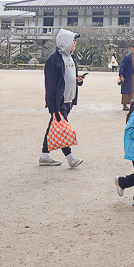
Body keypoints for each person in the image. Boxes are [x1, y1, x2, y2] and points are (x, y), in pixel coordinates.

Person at [39, 28, 85, 168]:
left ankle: (44, 155)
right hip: (59, 100)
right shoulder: (53, 60)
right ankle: (70, 157)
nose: (75, 43)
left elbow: (71, 76)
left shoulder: (71, 57)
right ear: (66, 41)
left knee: (55, 126)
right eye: (73, 40)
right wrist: (52, 106)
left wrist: (79, 80)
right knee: (62, 128)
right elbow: (51, 85)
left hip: (69, 98)